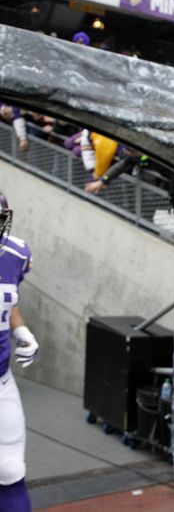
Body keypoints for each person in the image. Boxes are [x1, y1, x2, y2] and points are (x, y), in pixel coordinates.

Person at [0, 191, 39, 512]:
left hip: (1, 381)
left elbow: (8, 302)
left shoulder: (14, 254)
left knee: (10, 468)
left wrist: (21, 331)